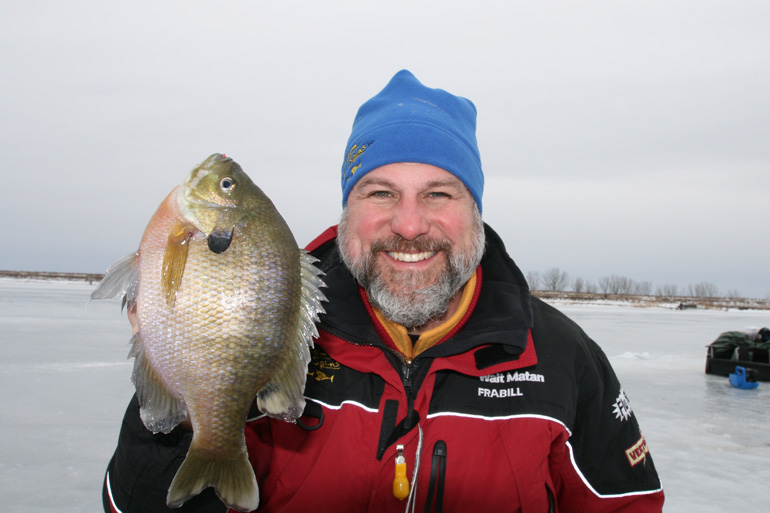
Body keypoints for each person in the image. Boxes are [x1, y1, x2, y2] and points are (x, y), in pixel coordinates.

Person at [103, 70, 664, 512]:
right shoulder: (268, 331)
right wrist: (177, 411)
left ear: (476, 210)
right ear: (348, 209)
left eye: (440, 194)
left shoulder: (564, 359)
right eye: (380, 193)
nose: (411, 225)